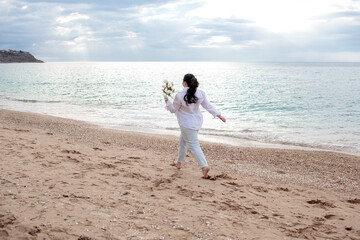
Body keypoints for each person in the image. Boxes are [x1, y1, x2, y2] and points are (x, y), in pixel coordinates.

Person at [164, 73, 226, 179]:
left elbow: (173, 110)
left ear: (184, 83)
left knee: (193, 145)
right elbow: (207, 105)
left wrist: (167, 100)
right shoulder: (200, 93)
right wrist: (218, 114)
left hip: (186, 124)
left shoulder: (179, 95)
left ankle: (204, 166)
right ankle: (179, 162)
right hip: (196, 123)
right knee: (183, 142)